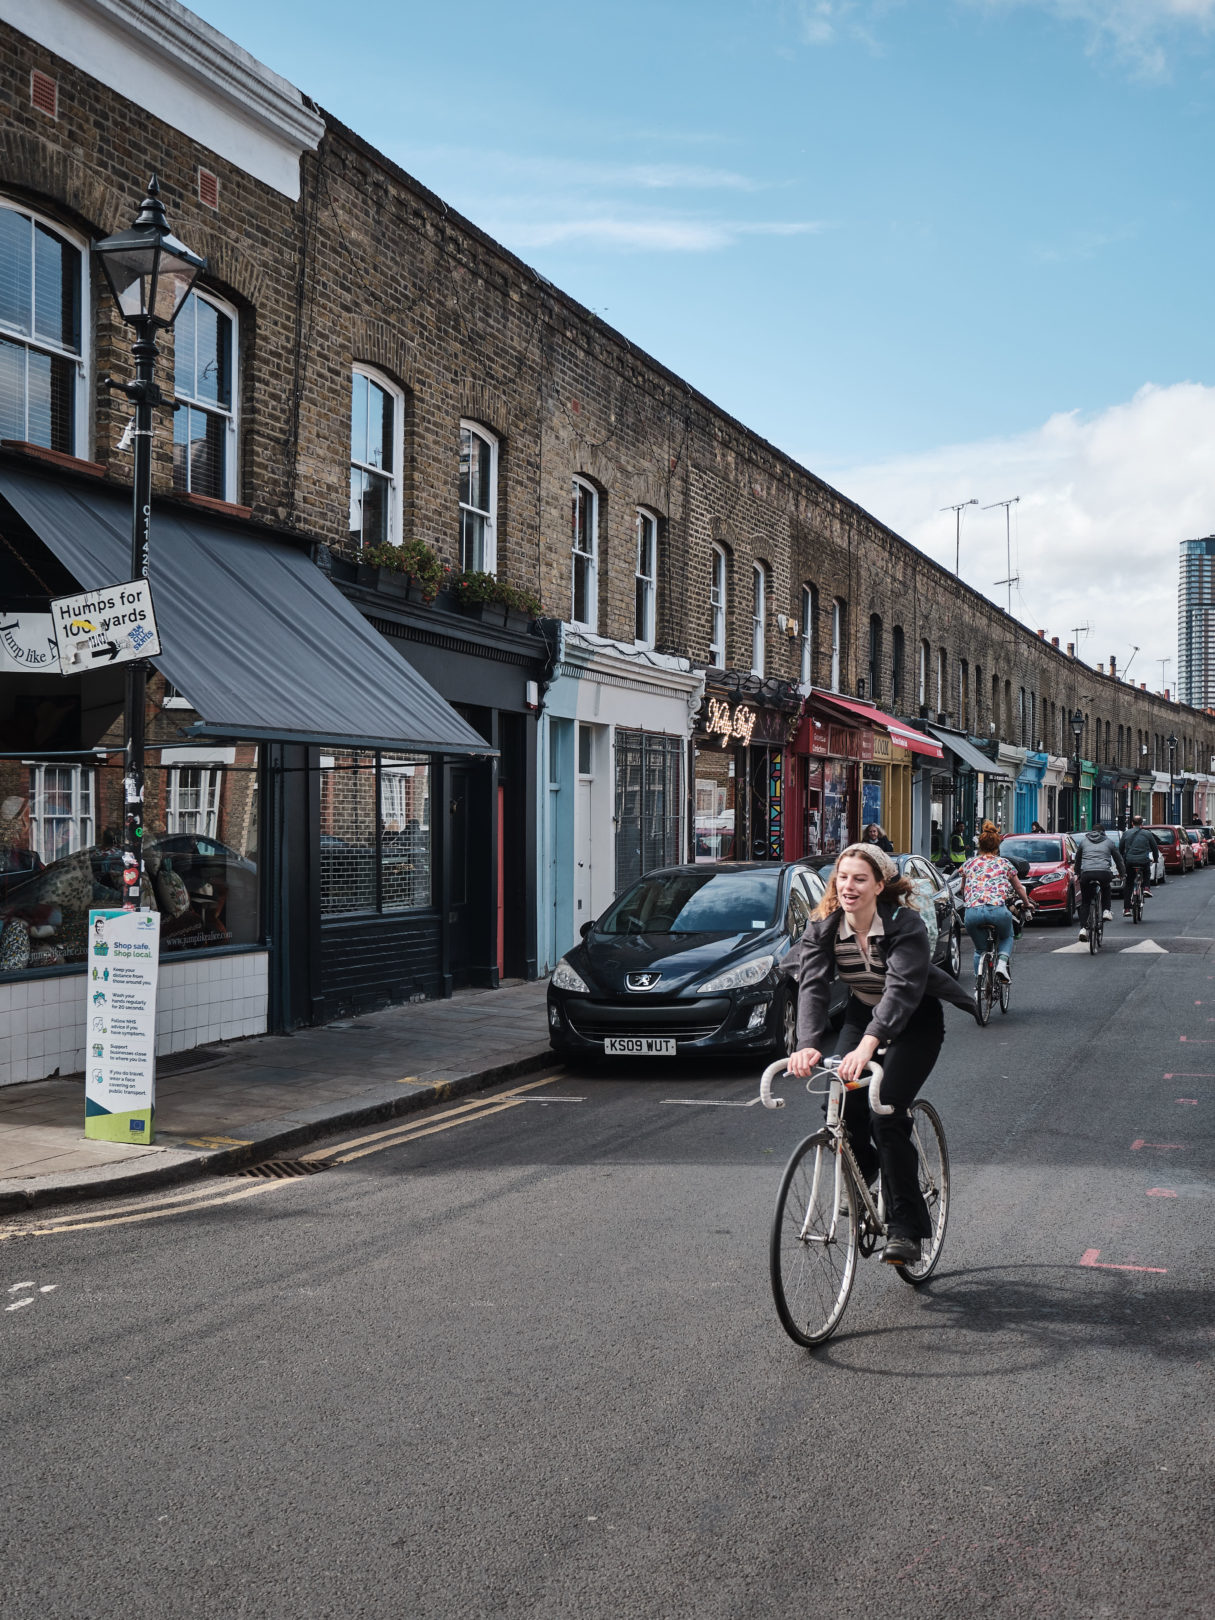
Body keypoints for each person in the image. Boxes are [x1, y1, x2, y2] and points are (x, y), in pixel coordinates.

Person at [786, 842, 976, 1266]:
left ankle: (907, 1228)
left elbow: (901, 991)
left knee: (886, 1111)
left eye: (859, 878)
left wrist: (869, 1045)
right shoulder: (824, 926)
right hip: (861, 1011)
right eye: (842, 877)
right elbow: (813, 988)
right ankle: (866, 1167)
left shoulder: (905, 925)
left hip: (915, 1020)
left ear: (879, 885)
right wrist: (807, 1046)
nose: (848, 886)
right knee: (840, 1105)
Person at [960, 821, 1033, 982]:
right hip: (997, 911)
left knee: (979, 950)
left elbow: (963, 888)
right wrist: (1026, 904)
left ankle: (978, 987)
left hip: (972, 912)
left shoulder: (969, 863)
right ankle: (1001, 964)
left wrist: (971, 901)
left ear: (980, 845)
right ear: (997, 845)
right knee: (1007, 936)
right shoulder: (1004, 863)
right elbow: (1020, 888)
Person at [1073, 823, 1126, 939]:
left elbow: (1077, 860)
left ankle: (1083, 929)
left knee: (1085, 902)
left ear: (1092, 831)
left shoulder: (1084, 842)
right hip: (1103, 873)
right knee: (1106, 887)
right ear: (1103, 832)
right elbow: (1119, 859)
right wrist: (1122, 874)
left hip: (1086, 873)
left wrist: (1077, 873)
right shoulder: (1109, 842)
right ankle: (1106, 910)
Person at [1119, 816, 1160, 916]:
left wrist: (1121, 861)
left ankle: (1127, 909)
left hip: (1129, 861)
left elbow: (1120, 848)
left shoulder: (1126, 833)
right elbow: (1154, 848)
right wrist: (1156, 859)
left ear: (1132, 823)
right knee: (1147, 871)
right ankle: (1146, 888)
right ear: (1142, 824)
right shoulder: (1147, 834)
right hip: (1143, 860)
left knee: (1128, 884)